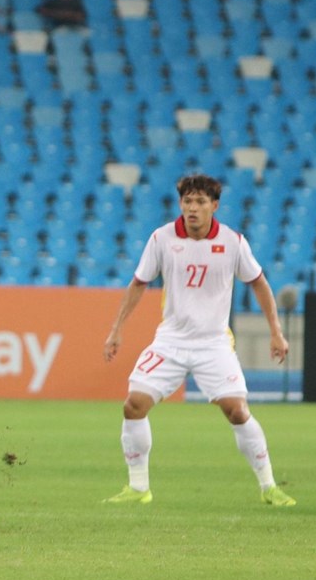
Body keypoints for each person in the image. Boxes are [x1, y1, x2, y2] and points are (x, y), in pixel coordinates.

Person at [102, 174, 296, 508]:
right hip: (170, 341)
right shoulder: (162, 238)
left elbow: (259, 283)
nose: (192, 208)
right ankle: (138, 488)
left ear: (214, 206)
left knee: (237, 411)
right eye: (187, 201)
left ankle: (269, 487)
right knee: (133, 405)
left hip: (213, 343)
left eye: (200, 202)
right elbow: (138, 284)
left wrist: (276, 332)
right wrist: (116, 329)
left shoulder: (233, 242)